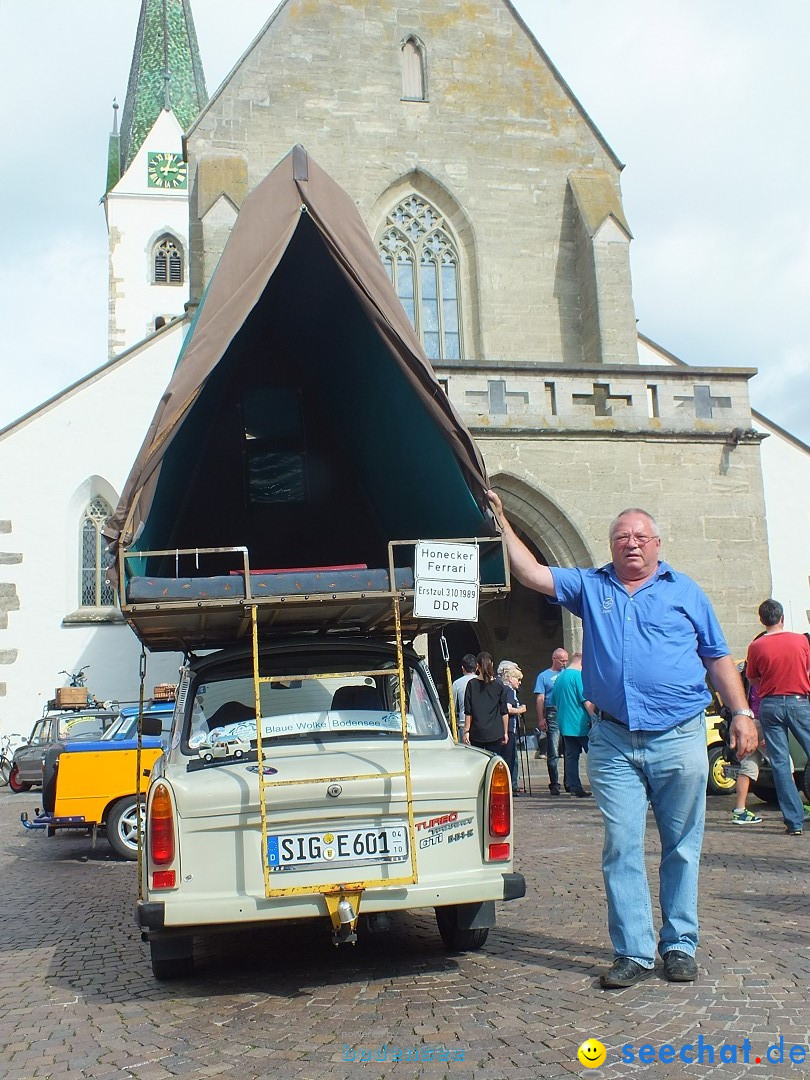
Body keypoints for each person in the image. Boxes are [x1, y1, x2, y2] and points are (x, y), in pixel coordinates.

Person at [486, 492, 757, 988]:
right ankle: (632, 951)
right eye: (620, 538)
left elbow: (718, 658)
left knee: (680, 845)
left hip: (678, 735)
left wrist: (741, 712)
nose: (630, 544)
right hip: (612, 738)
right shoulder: (591, 586)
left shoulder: (686, 591)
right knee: (622, 847)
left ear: (656, 544)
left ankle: (678, 944)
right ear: (610, 547)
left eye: (639, 537)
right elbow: (531, 574)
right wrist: (501, 520)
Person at [745, 599, 810, 836]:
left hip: (770, 704)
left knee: (781, 764)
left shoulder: (756, 647)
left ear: (762, 620)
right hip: (798, 701)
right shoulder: (800, 640)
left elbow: (753, 680)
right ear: (782, 617)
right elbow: (807, 668)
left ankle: (794, 822)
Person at [552, 652, 593, 798]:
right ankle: (600, 785)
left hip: (565, 724)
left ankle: (574, 787)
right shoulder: (578, 676)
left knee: (571, 757)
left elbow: (554, 703)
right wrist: (595, 718)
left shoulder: (559, 678)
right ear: (582, 662)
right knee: (595, 756)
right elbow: (586, 701)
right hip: (581, 723)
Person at [534, 647, 569, 794]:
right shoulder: (544, 676)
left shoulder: (568, 674)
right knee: (553, 749)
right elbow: (540, 697)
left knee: (569, 749)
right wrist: (541, 718)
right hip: (552, 710)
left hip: (567, 710)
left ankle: (570, 781)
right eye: (562, 661)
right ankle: (554, 783)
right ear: (554, 659)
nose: (564, 663)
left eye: (566, 661)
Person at [463, 652, 509, 758]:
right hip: (495, 732)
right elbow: (504, 711)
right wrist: (505, 732)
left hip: (477, 731)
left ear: (477, 666)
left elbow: (468, 711)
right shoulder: (499, 686)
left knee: (476, 762)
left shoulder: (471, 685)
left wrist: (466, 731)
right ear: (492, 665)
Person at [500, 663, 527, 794]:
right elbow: (508, 708)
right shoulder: (509, 690)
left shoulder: (503, 689)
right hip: (509, 728)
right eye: (518, 679)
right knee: (509, 759)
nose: (519, 682)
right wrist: (520, 710)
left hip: (508, 728)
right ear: (511, 678)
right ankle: (510, 786)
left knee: (511, 758)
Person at [451, 654, 478, 730]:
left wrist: (452, 721)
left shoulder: (457, 683)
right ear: (477, 667)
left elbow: (452, 705)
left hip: (464, 721)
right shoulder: (482, 682)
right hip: (480, 722)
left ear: (463, 668)